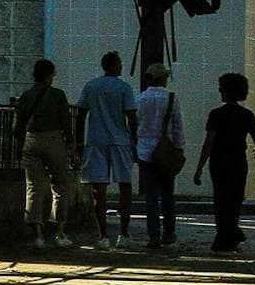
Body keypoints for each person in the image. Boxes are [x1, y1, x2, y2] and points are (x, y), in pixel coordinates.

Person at [13, 59, 78, 249]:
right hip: (54, 139)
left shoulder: (26, 96)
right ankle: (60, 233)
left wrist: (21, 142)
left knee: (33, 187)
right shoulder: (58, 95)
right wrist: (72, 146)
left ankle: (39, 236)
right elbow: (66, 123)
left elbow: (17, 126)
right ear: (50, 75)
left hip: (31, 140)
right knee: (60, 185)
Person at [193, 73, 255, 252]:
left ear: (225, 91)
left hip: (218, 162)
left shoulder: (216, 114)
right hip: (238, 161)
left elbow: (209, 142)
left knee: (221, 199)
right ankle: (232, 232)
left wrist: (199, 167)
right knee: (235, 199)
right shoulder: (247, 115)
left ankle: (224, 234)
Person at [77, 51, 138, 248]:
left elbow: (81, 114)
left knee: (98, 190)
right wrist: (134, 139)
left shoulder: (91, 86)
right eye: (119, 63)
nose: (121, 66)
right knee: (125, 186)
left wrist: (79, 141)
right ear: (113, 65)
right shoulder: (124, 88)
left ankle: (102, 236)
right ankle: (124, 233)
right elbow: (131, 117)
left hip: (95, 140)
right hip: (120, 140)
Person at [133, 63, 184, 249]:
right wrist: (179, 148)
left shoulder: (139, 99)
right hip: (167, 153)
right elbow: (177, 125)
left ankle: (153, 235)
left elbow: (134, 126)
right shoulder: (171, 98)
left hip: (145, 152)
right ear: (163, 78)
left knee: (151, 197)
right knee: (168, 195)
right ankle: (169, 232)